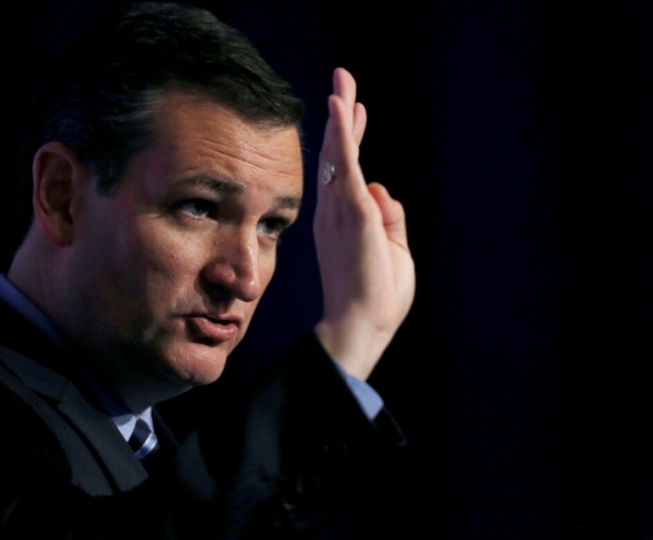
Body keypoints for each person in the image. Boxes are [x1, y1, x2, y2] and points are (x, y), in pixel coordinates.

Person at [0, 3, 414, 538]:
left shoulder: (155, 451)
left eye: (272, 225)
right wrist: (355, 333)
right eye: (198, 207)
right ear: (62, 198)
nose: (243, 279)